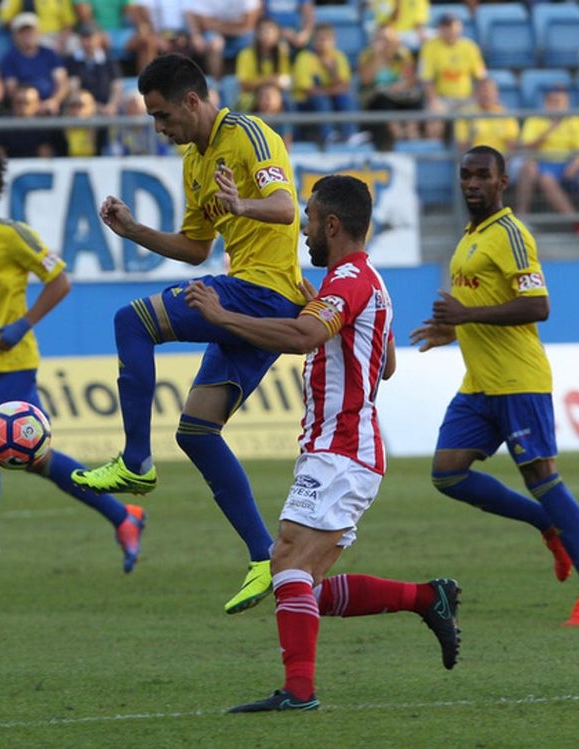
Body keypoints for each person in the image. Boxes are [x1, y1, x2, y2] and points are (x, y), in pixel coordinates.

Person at [185, 174, 461, 713]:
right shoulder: (364, 281)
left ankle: (299, 692)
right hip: (342, 447)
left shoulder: (351, 281)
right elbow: (385, 363)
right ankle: (429, 598)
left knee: (285, 557)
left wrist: (221, 317)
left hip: (342, 447)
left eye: (309, 219)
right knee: (306, 583)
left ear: (332, 224)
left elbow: (307, 337)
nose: (304, 230)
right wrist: (325, 309)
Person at [71, 54, 306, 615]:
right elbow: (197, 248)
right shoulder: (195, 161)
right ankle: (262, 558)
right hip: (246, 298)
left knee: (132, 322)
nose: (159, 127)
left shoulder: (249, 134)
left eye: (161, 115)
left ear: (192, 101)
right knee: (198, 432)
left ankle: (134, 461)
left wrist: (241, 202)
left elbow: (285, 206)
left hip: (263, 289)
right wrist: (134, 232)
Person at [0, 136, 146, 590]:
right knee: (36, 460)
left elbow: (59, 281)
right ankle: (123, 515)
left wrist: (23, 324)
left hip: (14, 362)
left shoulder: (10, 235)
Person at [409, 145, 579, 628]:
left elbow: (537, 306)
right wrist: (454, 330)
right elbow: (487, 302)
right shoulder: (470, 237)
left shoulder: (511, 234)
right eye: (465, 176)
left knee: (542, 476)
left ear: (502, 182)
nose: (472, 184)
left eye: (483, 176)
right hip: (479, 382)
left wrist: (465, 315)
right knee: (448, 474)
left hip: (519, 380)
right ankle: (547, 524)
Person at [513, 85, 579, 236]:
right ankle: (577, 223)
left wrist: (574, 165)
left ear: (566, 104)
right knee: (546, 180)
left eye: (561, 102)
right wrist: (549, 129)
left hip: (569, 162)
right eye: (553, 102)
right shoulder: (535, 120)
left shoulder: (574, 120)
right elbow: (526, 148)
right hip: (545, 163)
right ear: (546, 103)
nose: (557, 105)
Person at [417, 12, 484, 140]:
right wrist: (433, 100)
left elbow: (480, 77)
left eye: (452, 26)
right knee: (434, 120)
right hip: (442, 98)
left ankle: (471, 156)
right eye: (445, 27)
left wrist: (476, 97)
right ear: (440, 29)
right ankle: (436, 156)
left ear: (460, 27)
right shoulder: (430, 47)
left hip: (466, 98)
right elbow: (426, 79)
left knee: (477, 123)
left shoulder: (470, 47)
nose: (449, 30)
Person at [292, 22, 357, 145]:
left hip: (331, 98)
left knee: (347, 99)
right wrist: (333, 90)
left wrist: (333, 71)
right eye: (319, 39)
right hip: (305, 103)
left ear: (333, 41)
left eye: (326, 39)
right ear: (313, 41)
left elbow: (345, 86)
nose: (322, 42)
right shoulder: (304, 58)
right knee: (321, 100)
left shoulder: (338, 56)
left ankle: (349, 135)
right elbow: (308, 90)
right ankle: (328, 135)